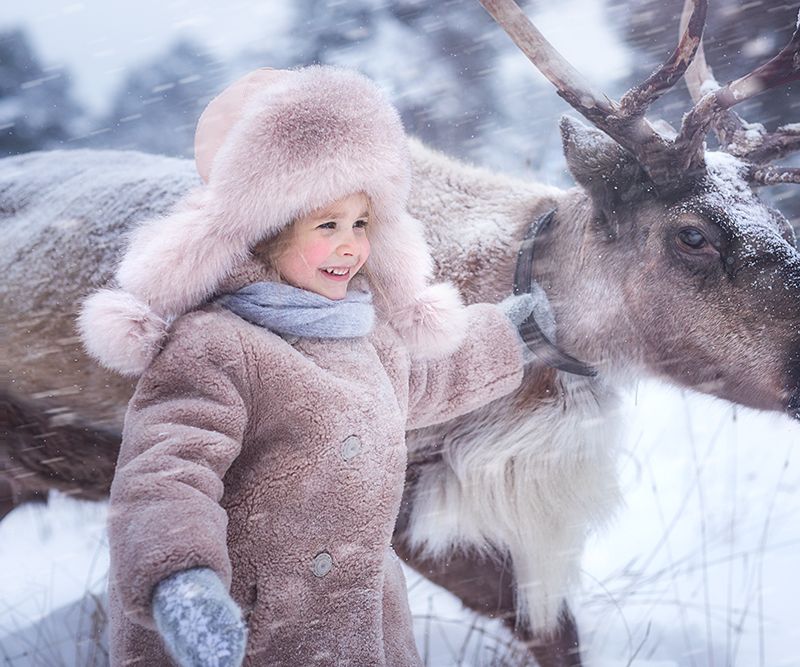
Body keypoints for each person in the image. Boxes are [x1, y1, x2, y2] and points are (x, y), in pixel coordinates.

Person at [78, 66, 543, 666]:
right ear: (267, 232)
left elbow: (423, 382)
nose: (351, 245)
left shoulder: (364, 336)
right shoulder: (215, 345)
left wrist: (514, 334)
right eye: (328, 225)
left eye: (361, 224)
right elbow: (167, 473)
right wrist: (182, 582)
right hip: (249, 629)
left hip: (360, 626)